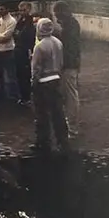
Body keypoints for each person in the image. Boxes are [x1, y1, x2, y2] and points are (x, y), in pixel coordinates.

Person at [30, 18, 69, 153]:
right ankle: (62, 140)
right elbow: (61, 63)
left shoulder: (39, 47)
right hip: (56, 79)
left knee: (42, 114)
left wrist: (33, 83)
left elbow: (35, 69)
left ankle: (43, 141)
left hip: (43, 82)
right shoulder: (58, 43)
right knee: (58, 112)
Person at [52, 1, 82, 138]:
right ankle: (71, 125)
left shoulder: (69, 27)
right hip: (71, 64)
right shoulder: (72, 24)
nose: (56, 17)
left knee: (70, 96)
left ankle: (72, 128)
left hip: (68, 65)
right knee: (69, 95)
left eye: (56, 14)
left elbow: (68, 47)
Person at [0, 3, 18, 101]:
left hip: (8, 50)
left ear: (7, 9)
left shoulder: (12, 21)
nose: (0, 11)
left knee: (11, 74)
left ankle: (13, 95)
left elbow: (7, 36)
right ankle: (1, 94)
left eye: (2, 9)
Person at [14, 1, 36, 106]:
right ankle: (23, 96)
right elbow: (15, 33)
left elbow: (26, 35)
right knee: (19, 74)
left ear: (29, 10)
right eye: (20, 10)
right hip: (19, 50)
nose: (22, 12)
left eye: (24, 10)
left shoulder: (30, 22)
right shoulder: (20, 21)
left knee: (26, 75)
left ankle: (27, 97)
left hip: (26, 50)